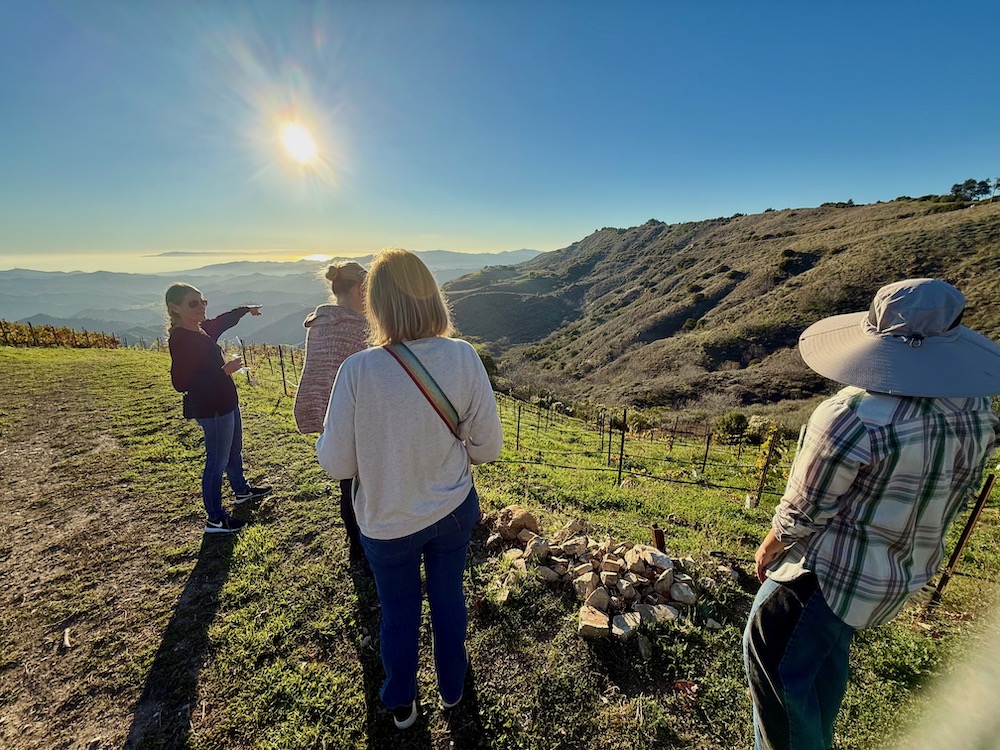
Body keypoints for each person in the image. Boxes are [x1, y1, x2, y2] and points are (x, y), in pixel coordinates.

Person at [744, 278, 1000, 750]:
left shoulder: (852, 415)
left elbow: (804, 510)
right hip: (892, 576)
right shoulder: (976, 411)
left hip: (823, 574)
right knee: (822, 666)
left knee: (776, 671)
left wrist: (768, 546)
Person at [316, 248, 503, 730]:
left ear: (375, 305)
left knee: (397, 613)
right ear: (433, 298)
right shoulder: (463, 357)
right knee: (448, 600)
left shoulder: (357, 371)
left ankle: (401, 700)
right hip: (453, 509)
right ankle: (452, 687)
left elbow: (335, 462)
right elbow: (487, 449)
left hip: (386, 521)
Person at [166, 283, 272, 534]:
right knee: (216, 462)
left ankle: (241, 491)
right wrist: (222, 372)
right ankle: (215, 519)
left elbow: (223, 321)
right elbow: (181, 383)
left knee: (234, 451)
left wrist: (245, 309)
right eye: (194, 303)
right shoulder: (181, 340)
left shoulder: (201, 330)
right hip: (211, 408)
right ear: (175, 308)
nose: (201, 307)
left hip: (226, 403)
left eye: (203, 301)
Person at [293, 261, 370, 568]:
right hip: (357, 417)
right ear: (361, 288)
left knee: (346, 484)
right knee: (362, 485)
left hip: (331, 416)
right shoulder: (358, 327)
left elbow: (319, 373)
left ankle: (356, 545)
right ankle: (365, 545)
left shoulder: (320, 323)